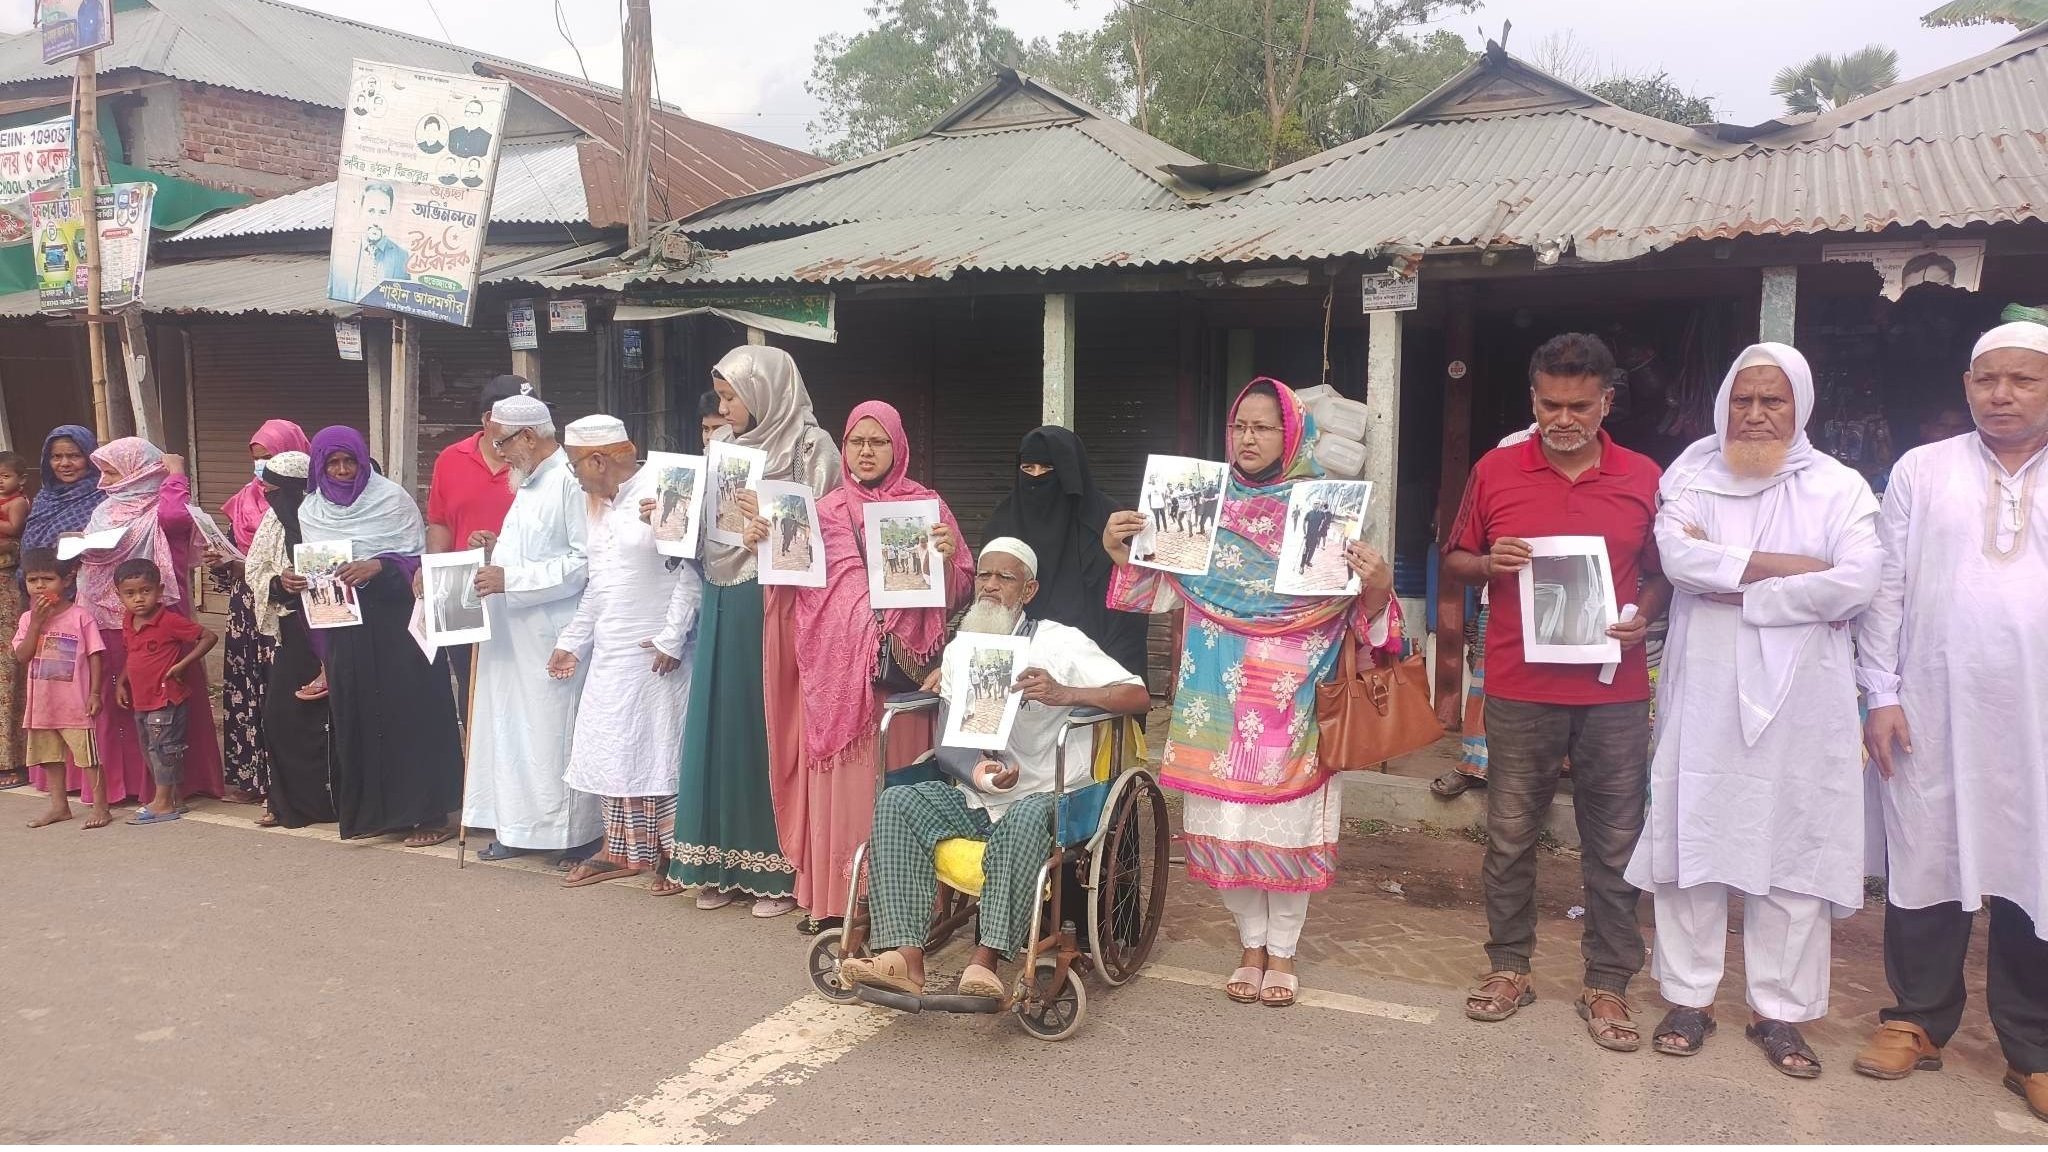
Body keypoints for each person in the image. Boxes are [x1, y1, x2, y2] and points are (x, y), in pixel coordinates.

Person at [1626, 343, 1883, 1075]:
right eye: (1743, 399)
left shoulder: (1840, 488)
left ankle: (1780, 1013)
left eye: (1773, 400)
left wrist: (1736, 580)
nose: (1757, 414)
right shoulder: (1693, 475)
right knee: (1695, 833)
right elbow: (1680, 563)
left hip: (1806, 696)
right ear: (1722, 406)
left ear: (1800, 406)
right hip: (1705, 681)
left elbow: (1858, 584)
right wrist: (1799, 570)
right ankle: (1688, 996)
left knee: (1793, 845)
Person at [1102, 379, 1396, 1008]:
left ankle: (1283, 952)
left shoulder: (1324, 507)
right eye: (1240, 427)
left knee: (1287, 830)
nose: (1249, 439)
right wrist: (1123, 551)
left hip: (1296, 702)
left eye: (1264, 427)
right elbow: (1150, 594)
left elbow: (1369, 625)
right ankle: (1249, 946)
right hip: (1216, 697)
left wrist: (1376, 587)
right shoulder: (1198, 506)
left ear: (1291, 434)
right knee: (1227, 826)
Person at [1442, 333, 1669, 1051]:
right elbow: (1454, 557)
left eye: (1579, 405)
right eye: (1549, 404)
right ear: (1532, 399)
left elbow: (1667, 572)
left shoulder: (1645, 476)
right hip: (1520, 685)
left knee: (1615, 842)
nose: (1563, 418)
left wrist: (1645, 616)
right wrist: (1487, 563)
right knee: (1510, 836)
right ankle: (1510, 967)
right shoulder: (1497, 469)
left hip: (1615, 692)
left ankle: (1607, 983)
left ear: (1607, 401)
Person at [1852, 321, 2048, 1121]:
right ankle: (1916, 1021)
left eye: (2022, 381)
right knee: (1926, 855)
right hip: (1931, 705)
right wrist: (1881, 693)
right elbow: (1885, 588)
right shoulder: (1921, 470)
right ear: (1966, 384)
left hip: (2038, 719)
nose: (2000, 395)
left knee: (2035, 869)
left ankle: (2032, 1049)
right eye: (1985, 379)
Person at [841, 538, 1149, 998]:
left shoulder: (1060, 642)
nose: (989, 586)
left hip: (1047, 794)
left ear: (1028, 590)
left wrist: (1066, 693)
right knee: (898, 800)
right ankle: (905, 956)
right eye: (983, 575)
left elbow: (1137, 694)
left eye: (1004, 578)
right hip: (977, 795)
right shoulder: (964, 647)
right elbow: (952, 742)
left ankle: (985, 960)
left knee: (1024, 817)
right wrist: (984, 773)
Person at [789, 402, 972, 935]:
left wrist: (944, 557)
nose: (865, 452)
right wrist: (765, 538)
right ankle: (835, 900)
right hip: (836, 677)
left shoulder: (926, 506)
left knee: (901, 780)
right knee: (847, 788)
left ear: (898, 446)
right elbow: (792, 587)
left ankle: (904, 898)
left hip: (901, 678)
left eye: (877, 442)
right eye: (855, 442)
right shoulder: (822, 512)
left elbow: (963, 588)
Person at [670, 346, 840, 916]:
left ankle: (772, 867)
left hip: (780, 605)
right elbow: (705, 539)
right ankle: (716, 863)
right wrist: (671, 516)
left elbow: (831, 534)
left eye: (730, 396)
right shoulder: (725, 450)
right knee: (722, 724)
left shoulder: (813, 448)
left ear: (766, 390)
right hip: (725, 600)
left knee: (767, 726)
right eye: (719, 397)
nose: (723, 408)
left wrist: (776, 528)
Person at [297, 427, 464, 845]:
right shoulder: (311, 510)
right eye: (332, 463)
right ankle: (377, 814)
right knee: (359, 714)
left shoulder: (391, 501)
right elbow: (317, 572)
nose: (341, 470)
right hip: (346, 630)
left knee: (412, 715)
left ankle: (429, 814)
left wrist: (380, 566)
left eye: (349, 461)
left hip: (397, 627)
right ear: (319, 465)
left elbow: (417, 562)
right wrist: (294, 580)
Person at [554, 415, 698, 890]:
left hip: (657, 651)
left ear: (598, 459)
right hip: (612, 653)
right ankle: (624, 849)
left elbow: (691, 572)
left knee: (661, 750)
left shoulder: (665, 485)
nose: (574, 475)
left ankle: (677, 855)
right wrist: (573, 641)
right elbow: (600, 582)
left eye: (576, 465)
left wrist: (672, 637)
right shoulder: (599, 505)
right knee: (614, 746)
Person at [463, 395, 601, 863]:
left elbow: (583, 562)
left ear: (528, 436)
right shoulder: (527, 481)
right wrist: (495, 549)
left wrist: (512, 578)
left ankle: (570, 835)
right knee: (509, 731)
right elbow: (536, 548)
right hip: (509, 632)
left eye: (501, 441)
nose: (496, 451)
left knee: (550, 736)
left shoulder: (567, 480)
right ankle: (516, 827)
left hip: (548, 631)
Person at [67, 439, 228, 809]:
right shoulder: (106, 510)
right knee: (117, 700)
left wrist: (175, 474)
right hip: (107, 616)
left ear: (137, 471)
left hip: (161, 620)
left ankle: (171, 788)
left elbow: (175, 519)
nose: (102, 481)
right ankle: (117, 785)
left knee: (165, 702)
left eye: (111, 472)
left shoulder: (164, 504)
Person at [983, 427, 1149, 687]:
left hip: (1093, 663)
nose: (1036, 477)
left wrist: (1115, 683)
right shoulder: (1002, 520)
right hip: (1020, 665)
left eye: (1047, 469)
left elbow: (1133, 599)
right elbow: (988, 592)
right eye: (1028, 468)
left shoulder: (1106, 521)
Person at [208, 419, 310, 806]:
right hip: (246, 608)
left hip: (287, 614)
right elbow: (244, 559)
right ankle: (250, 778)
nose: (261, 468)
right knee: (247, 689)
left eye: (269, 458)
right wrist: (223, 563)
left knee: (279, 693)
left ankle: (283, 786)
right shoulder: (246, 501)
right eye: (256, 460)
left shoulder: (306, 503)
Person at [426, 375, 531, 724]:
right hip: (460, 593)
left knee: (517, 688)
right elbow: (440, 522)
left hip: (518, 595)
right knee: (470, 690)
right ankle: (474, 772)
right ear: (488, 419)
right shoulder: (450, 459)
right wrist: (432, 575)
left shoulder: (538, 465)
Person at [241, 451, 334, 829]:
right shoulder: (272, 524)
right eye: (268, 491)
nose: (271, 499)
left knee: (331, 720)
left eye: (279, 492)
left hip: (332, 630)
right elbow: (256, 569)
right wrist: (280, 583)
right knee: (281, 716)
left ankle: (335, 803)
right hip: (293, 631)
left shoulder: (326, 516)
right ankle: (288, 803)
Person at [112, 558, 217, 826]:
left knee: (164, 750)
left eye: (145, 591)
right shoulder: (129, 621)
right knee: (152, 749)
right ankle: (172, 798)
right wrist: (122, 682)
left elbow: (208, 637)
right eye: (130, 594)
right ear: (119, 595)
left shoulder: (169, 621)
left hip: (165, 698)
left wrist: (182, 664)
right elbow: (132, 655)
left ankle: (162, 803)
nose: (138, 599)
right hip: (141, 699)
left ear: (159, 591)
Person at [16, 549, 106, 827]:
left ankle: (101, 808)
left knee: (87, 758)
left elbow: (96, 655)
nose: (40, 586)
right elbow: (22, 656)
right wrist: (37, 624)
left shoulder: (80, 616)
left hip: (74, 702)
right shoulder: (27, 619)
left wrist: (94, 693)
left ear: (67, 581)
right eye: (33, 580)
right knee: (49, 757)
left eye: (48, 579)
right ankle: (59, 806)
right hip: (43, 704)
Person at [329, 182, 409, 303]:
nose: (376, 221)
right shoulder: (341, 251)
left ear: (390, 215)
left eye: (382, 212)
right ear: (361, 211)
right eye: (371, 211)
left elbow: (403, 303)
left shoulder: (402, 257)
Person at [0, 449, 27, 786]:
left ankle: (12, 760)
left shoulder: (20, 503)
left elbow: (17, 537)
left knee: (8, 671)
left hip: (7, 594)